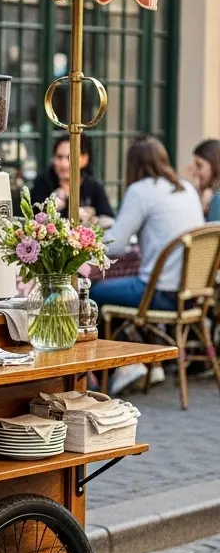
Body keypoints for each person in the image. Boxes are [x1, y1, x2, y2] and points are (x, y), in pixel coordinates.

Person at [92, 136, 205, 395]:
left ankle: (121, 367)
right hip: (193, 296)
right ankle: (146, 361)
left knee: (94, 293)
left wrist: (91, 237)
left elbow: (116, 245)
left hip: (160, 293)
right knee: (124, 285)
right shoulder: (186, 189)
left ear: (133, 165)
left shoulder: (141, 190)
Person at [30, 134, 112, 220]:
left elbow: (108, 219)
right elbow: (31, 218)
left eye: (70, 158)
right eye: (59, 157)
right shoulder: (43, 183)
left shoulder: (93, 186)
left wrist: (92, 217)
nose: (64, 164)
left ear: (84, 159)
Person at [185, 138, 220, 222]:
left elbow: (207, 234)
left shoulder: (217, 199)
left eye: (199, 165)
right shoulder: (209, 196)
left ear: (215, 165)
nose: (194, 171)